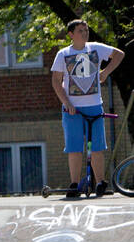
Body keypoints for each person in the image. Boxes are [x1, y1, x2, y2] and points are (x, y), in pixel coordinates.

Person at [51, 18, 125, 197]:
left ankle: (100, 182)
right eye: (80, 31)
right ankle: (75, 184)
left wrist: (106, 72)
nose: (85, 33)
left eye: (86, 30)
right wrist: (67, 103)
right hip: (73, 110)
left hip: (94, 107)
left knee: (96, 147)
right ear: (71, 34)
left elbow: (119, 54)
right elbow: (56, 81)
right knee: (74, 147)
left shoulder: (96, 48)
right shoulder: (63, 54)